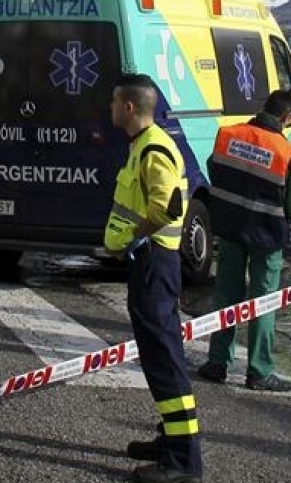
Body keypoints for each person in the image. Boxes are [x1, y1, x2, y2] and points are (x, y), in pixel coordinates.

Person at [104, 74, 201, 483]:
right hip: (149, 264)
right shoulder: (142, 145)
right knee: (158, 356)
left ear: (129, 107)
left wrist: (133, 238)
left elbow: (167, 207)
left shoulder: (154, 148)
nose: (109, 108)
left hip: (153, 263)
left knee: (164, 359)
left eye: (113, 102)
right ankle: (170, 439)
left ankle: (183, 462)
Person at [198, 87, 291, 391]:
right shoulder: (284, 150)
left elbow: (214, 170)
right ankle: (259, 371)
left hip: (229, 228)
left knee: (226, 294)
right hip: (267, 236)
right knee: (262, 301)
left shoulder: (228, 135)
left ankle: (217, 363)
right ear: (286, 117)